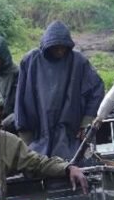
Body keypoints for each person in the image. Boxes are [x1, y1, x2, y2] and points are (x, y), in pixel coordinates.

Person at [15, 21, 105, 160]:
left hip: (70, 138)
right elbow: (21, 100)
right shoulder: (31, 61)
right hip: (38, 138)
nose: (60, 51)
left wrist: (86, 122)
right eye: (56, 47)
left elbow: (97, 89)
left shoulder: (78, 62)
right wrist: (26, 137)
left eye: (63, 47)